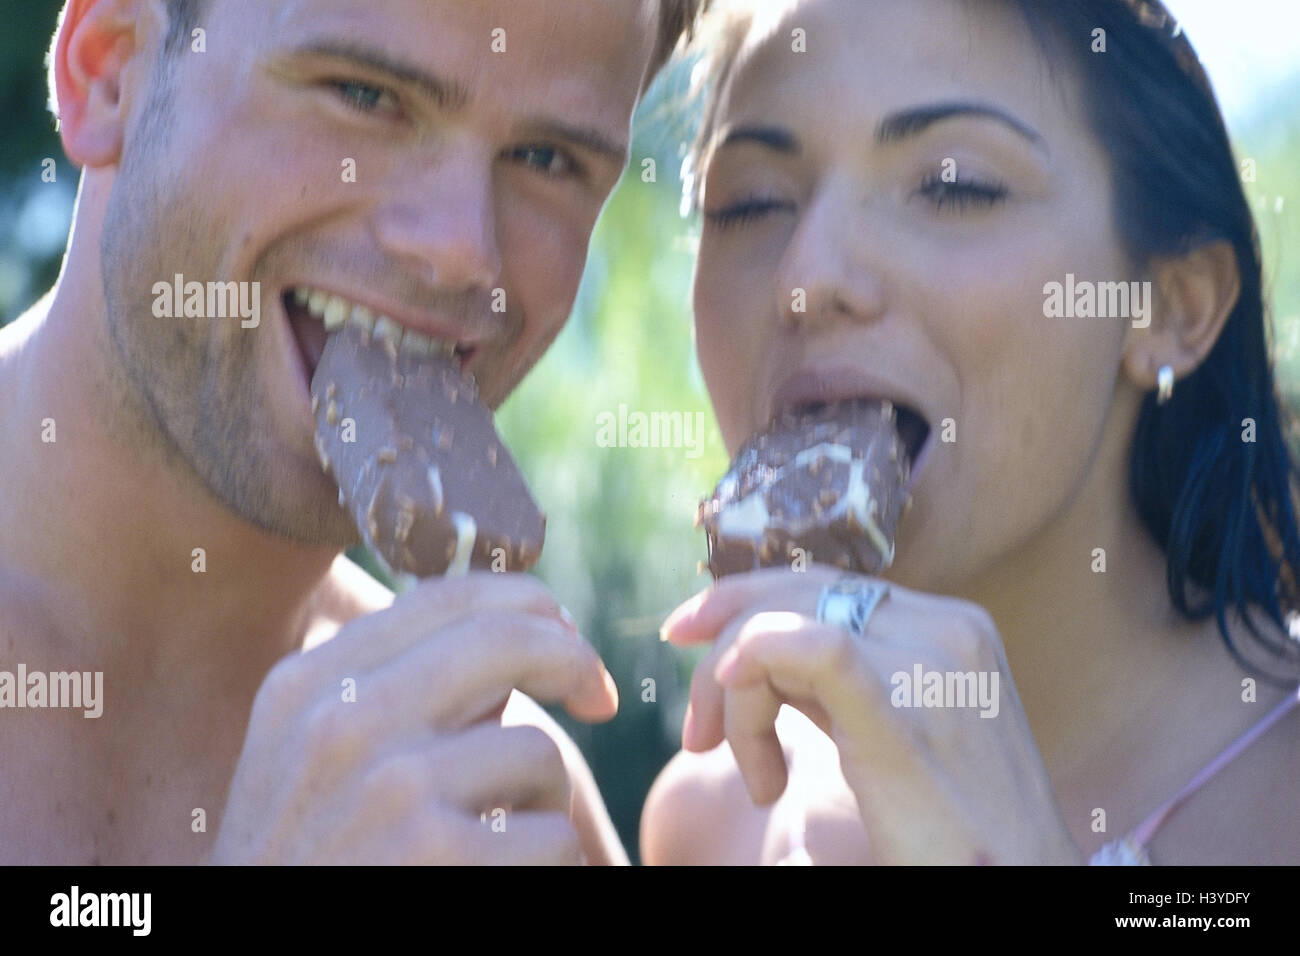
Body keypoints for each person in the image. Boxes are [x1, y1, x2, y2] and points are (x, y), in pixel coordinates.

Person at [0, 0, 702, 864]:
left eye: (545, 158)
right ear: (105, 73)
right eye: (365, 96)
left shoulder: (495, 800)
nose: (459, 249)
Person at [643, 0, 1300, 864]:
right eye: (752, 203)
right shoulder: (711, 819)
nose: (809, 276)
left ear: (1170, 305)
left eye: (954, 185)